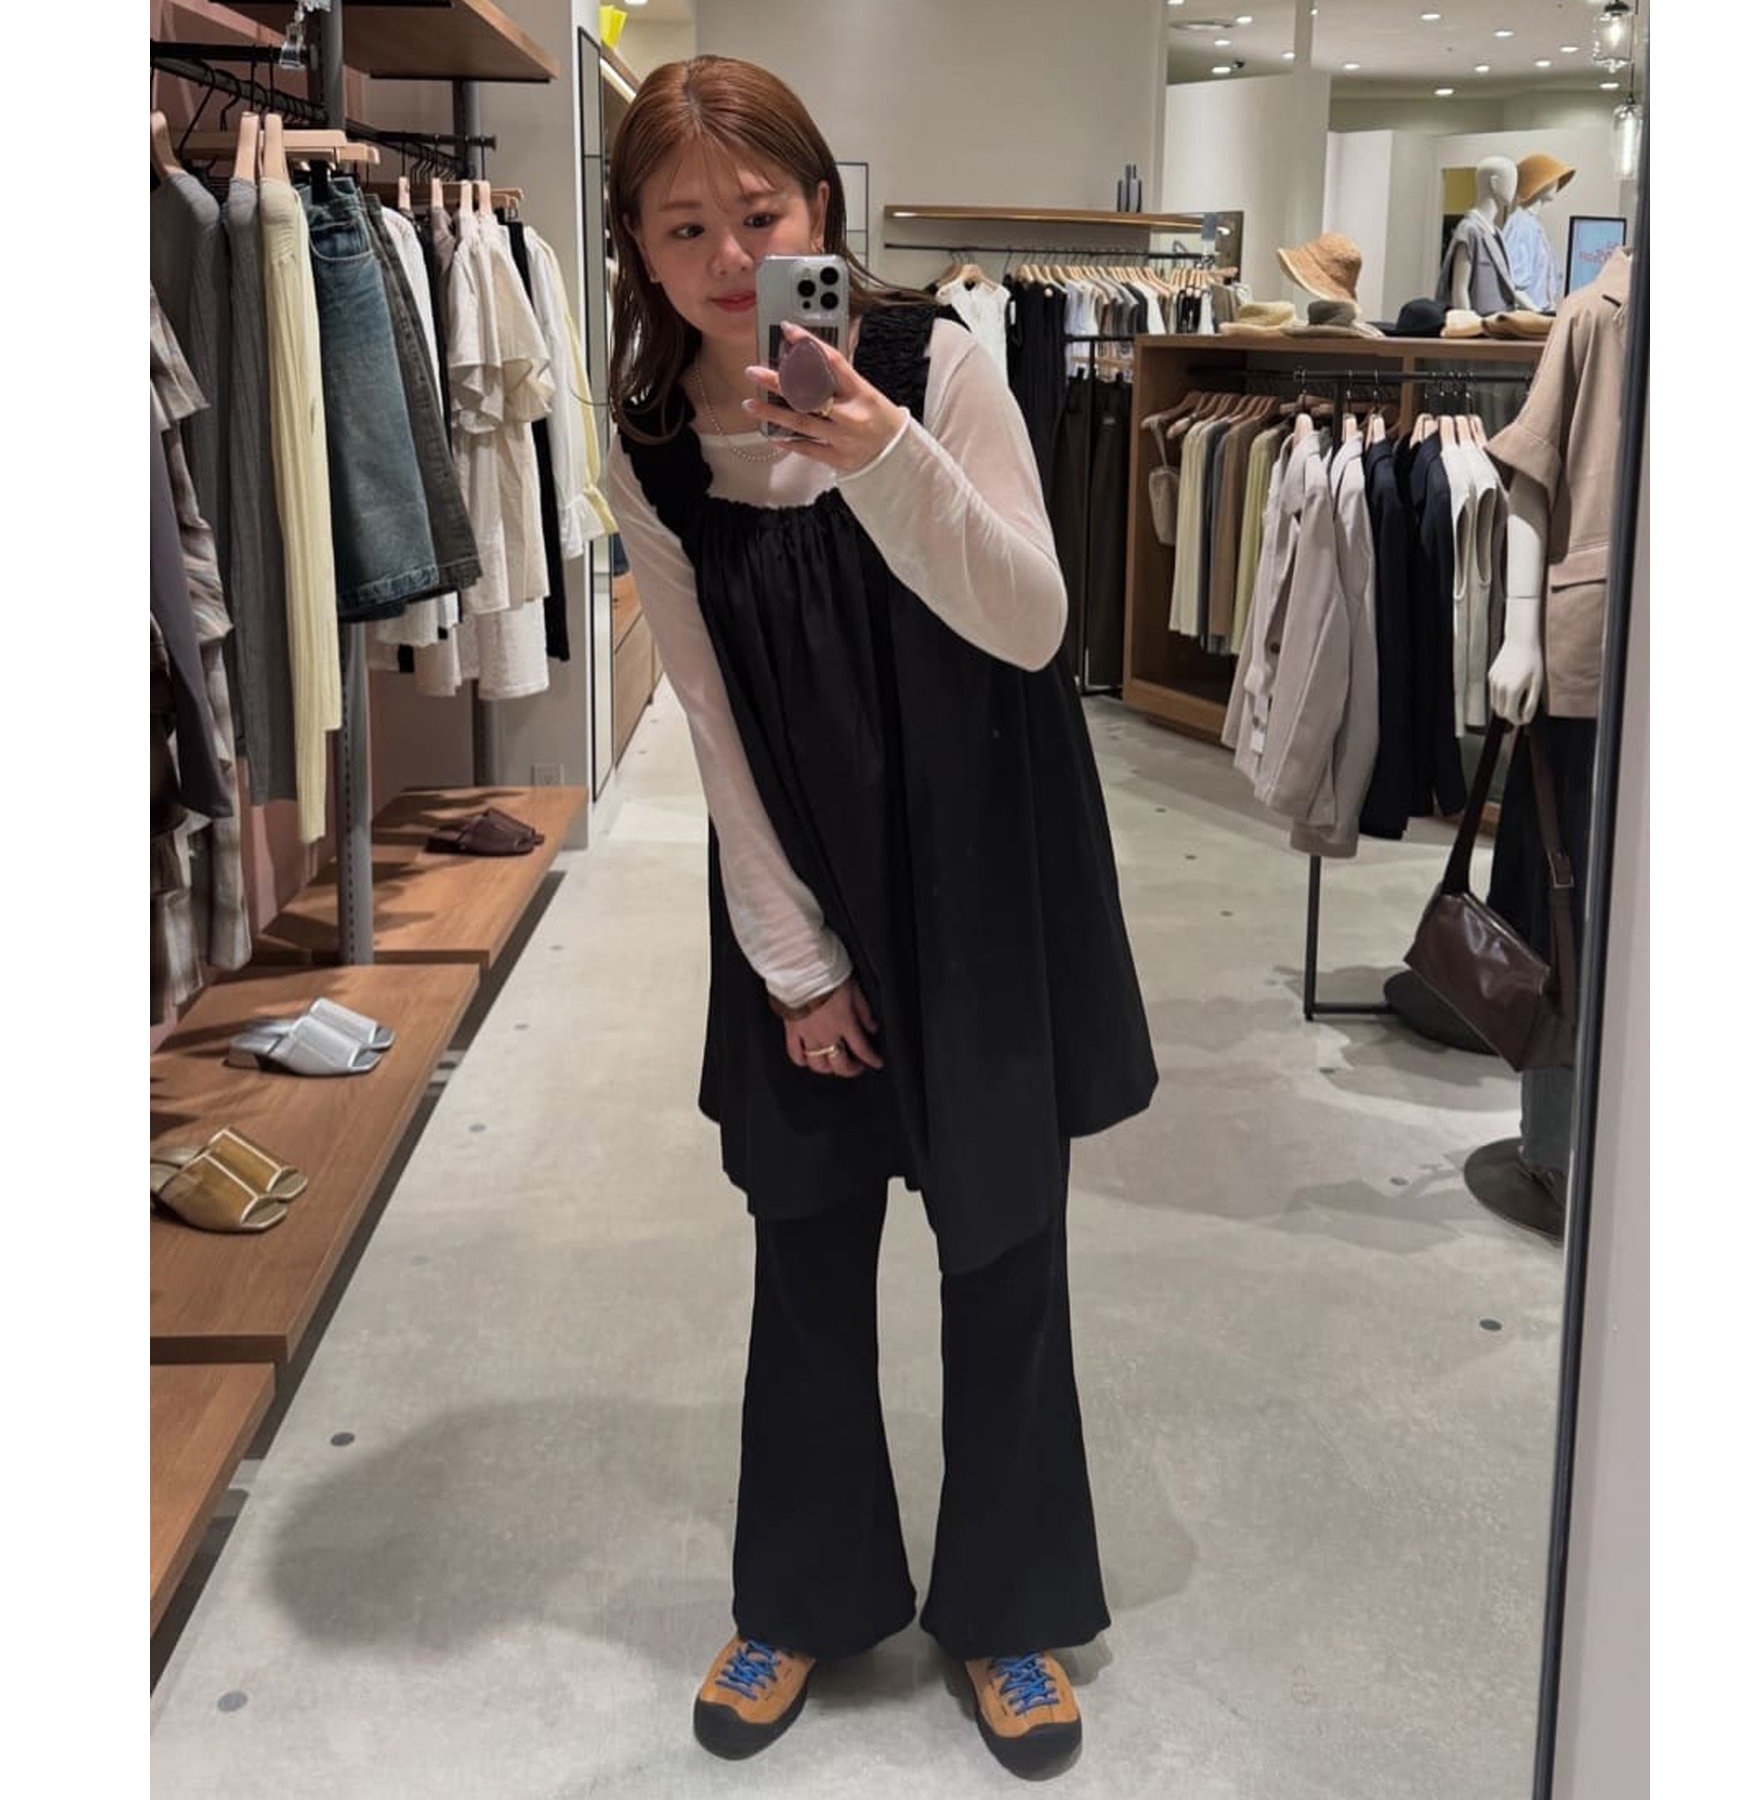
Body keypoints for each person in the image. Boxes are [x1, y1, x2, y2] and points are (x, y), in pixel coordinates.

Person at [604, 55, 1158, 1779]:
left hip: (983, 864)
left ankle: (1005, 1611)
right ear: (633, 244)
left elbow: (1031, 621)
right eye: (680, 227)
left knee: (1002, 1245)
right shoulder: (653, 441)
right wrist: (793, 963)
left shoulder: (937, 364)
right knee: (806, 1245)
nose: (726, 257)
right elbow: (706, 710)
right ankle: (803, 1592)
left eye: (758, 215)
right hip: (800, 876)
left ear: (821, 210)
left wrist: (881, 456)